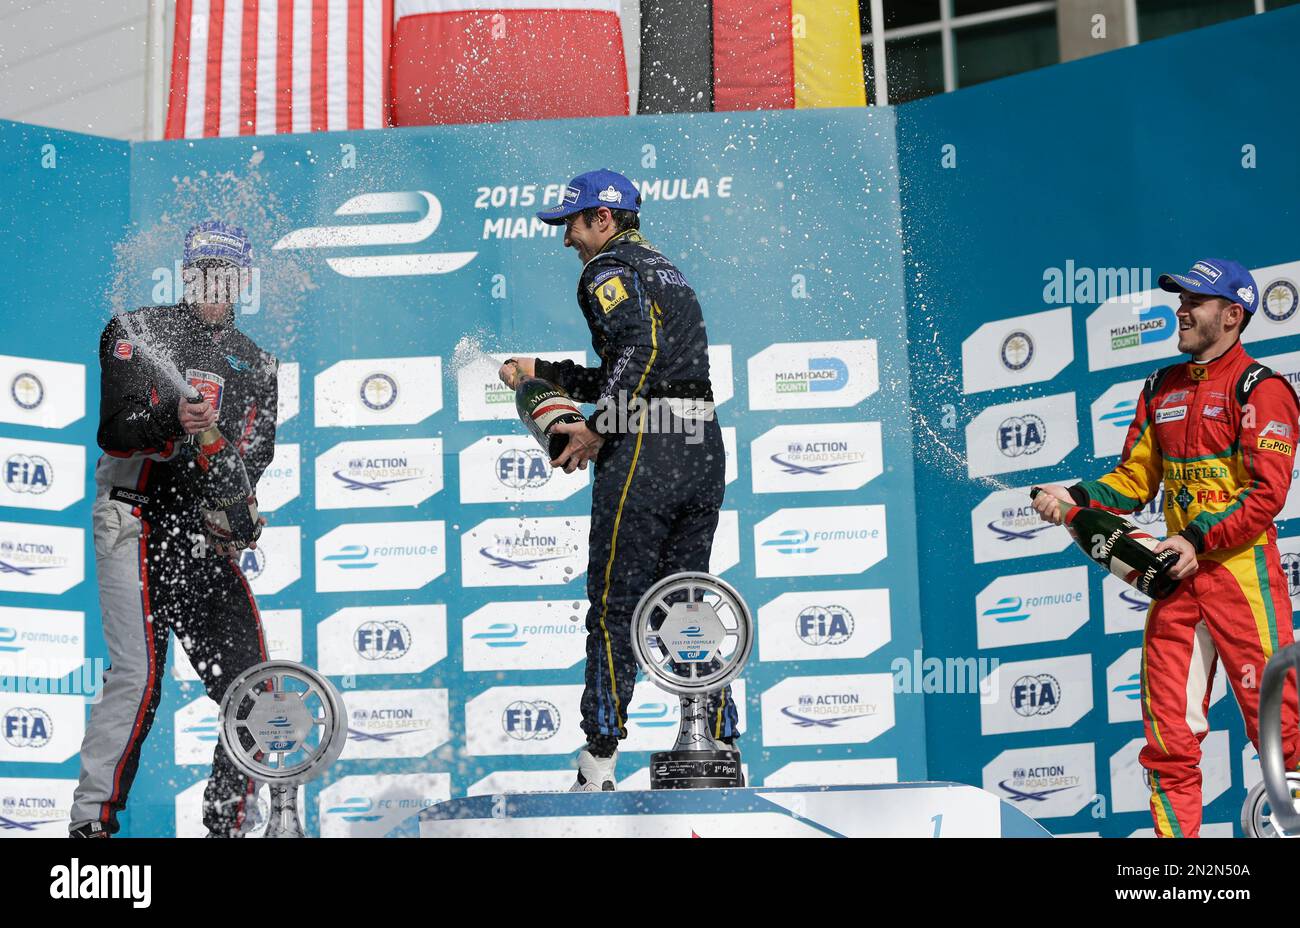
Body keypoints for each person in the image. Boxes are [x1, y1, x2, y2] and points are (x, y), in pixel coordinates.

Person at [1033, 258, 1300, 837]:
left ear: (1232, 315)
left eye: (1194, 302)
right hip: (1176, 585)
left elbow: (1266, 493)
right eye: (1180, 298)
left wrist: (1196, 536)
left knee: (1283, 735)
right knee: (1168, 742)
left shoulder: (1264, 388)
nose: (1180, 309)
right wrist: (1073, 495)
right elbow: (1133, 480)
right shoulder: (1160, 388)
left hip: (1241, 578)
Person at [499, 169, 739, 791]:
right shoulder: (665, 268)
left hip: (647, 448)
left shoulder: (605, 270)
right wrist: (542, 370)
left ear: (602, 219)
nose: (566, 240)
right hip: (700, 443)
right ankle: (715, 739)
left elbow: (636, 352)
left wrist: (600, 426)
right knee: (683, 602)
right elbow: (646, 363)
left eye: (571, 224)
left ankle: (598, 760)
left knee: (615, 605)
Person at [70, 221, 278, 837]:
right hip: (134, 517)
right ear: (186, 274)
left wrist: (239, 515)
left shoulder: (259, 363)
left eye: (226, 272)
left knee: (257, 691)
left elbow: (252, 461)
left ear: (242, 279)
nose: (213, 283)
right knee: (139, 675)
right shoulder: (136, 330)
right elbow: (115, 429)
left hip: (198, 538)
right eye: (202, 271)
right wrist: (171, 416)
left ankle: (227, 824)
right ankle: (91, 828)